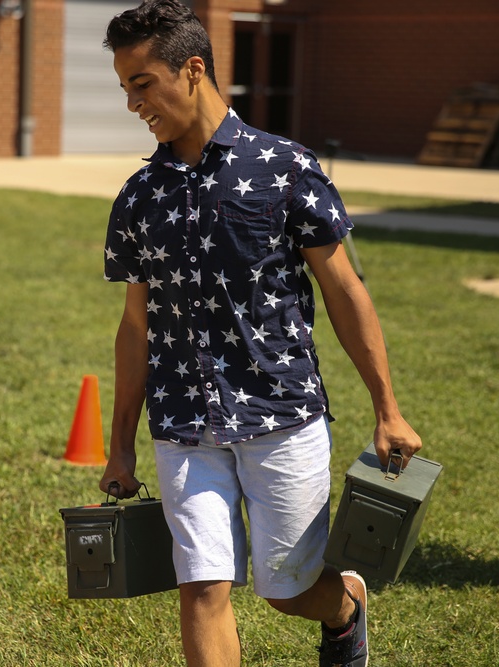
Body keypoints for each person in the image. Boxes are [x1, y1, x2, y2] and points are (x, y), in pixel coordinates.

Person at [97, 2, 422, 664]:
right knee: (201, 588)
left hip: (280, 414)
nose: (134, 104)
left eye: (141, 84)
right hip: (183, 423)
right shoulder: (138, 195)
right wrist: (120, 445)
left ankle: (346, 606)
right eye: (125, 88)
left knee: (287, 586)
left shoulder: (285, 168)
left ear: (192, 70)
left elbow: (344, 290)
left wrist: (388, 409)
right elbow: (135, 327)